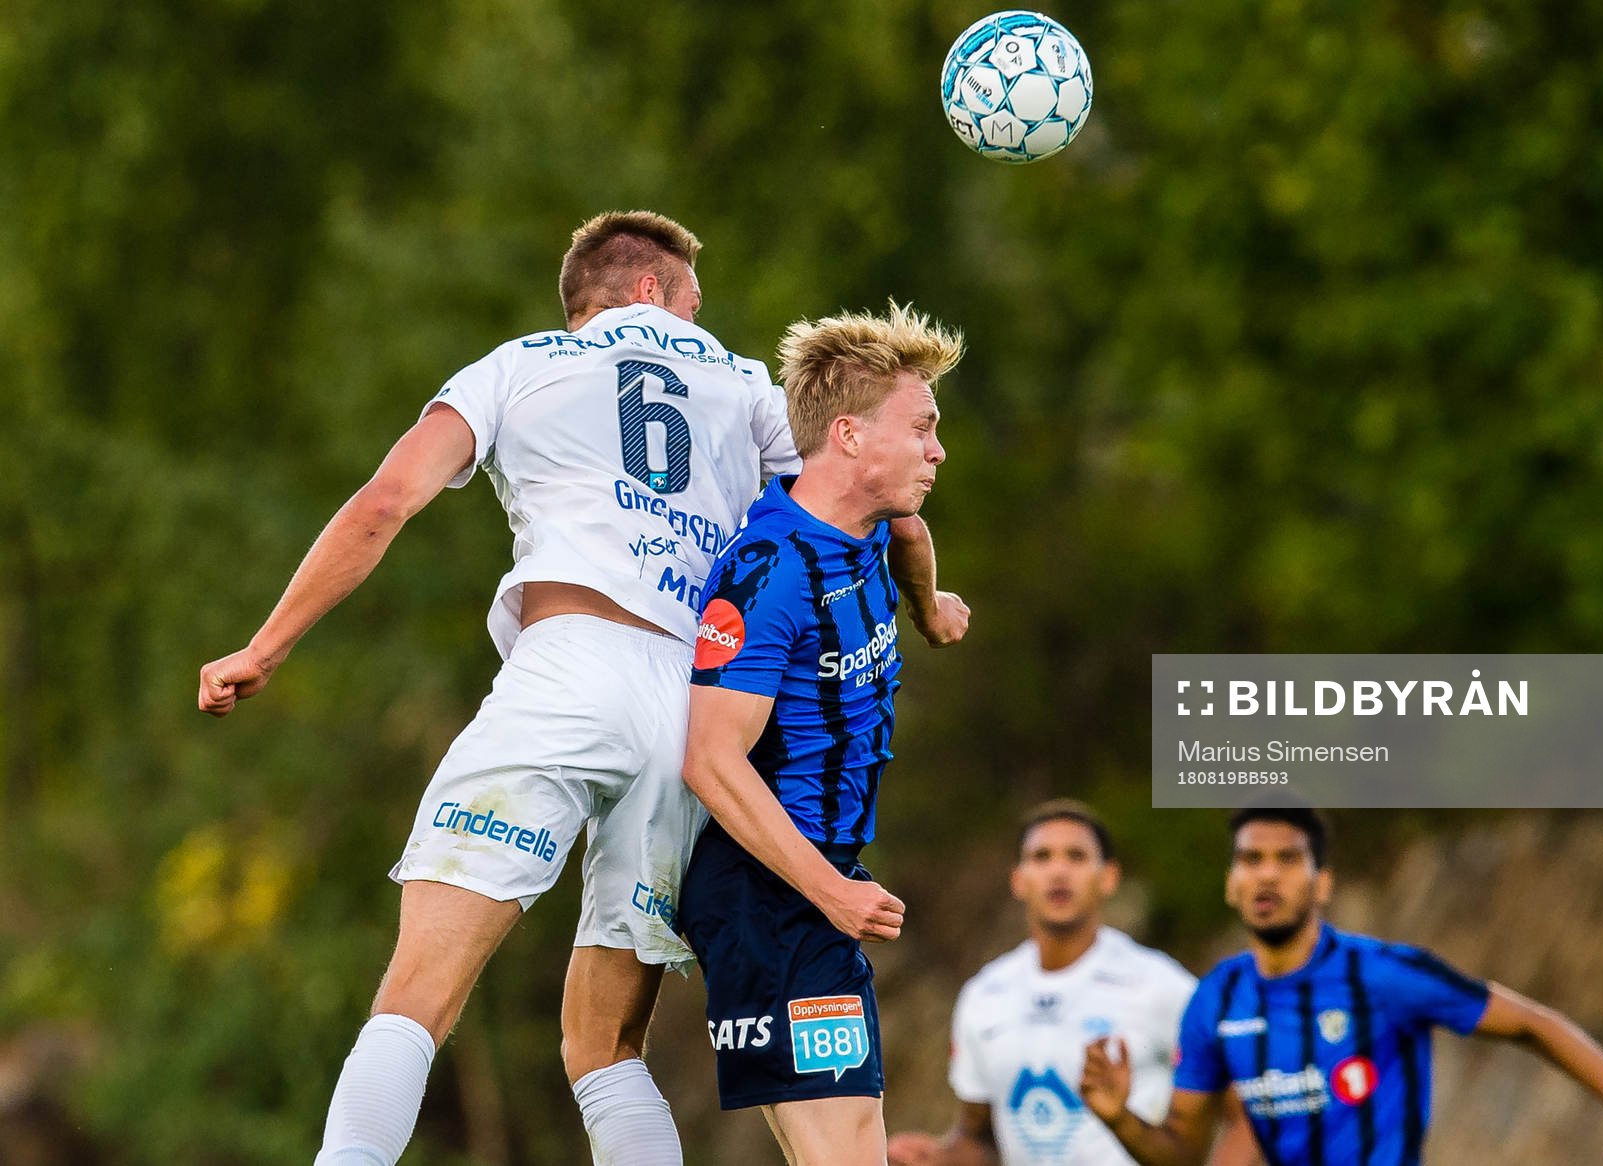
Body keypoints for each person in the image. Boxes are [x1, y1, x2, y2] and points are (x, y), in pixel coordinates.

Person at [196, 213, 958, 1166]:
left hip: (565, 675)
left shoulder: (514, 366)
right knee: (603, 1049)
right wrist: (928, 601)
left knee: (419, 995)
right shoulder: (745, 385)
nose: (700, 321)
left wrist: (264, 649)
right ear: (651, 290)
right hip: (685, 710)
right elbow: (856, 502)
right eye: (694, 300)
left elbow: (387, 500)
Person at [676, 300, 968, 1166]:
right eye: (922, 429)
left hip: (813, 892)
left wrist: (928, 608)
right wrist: (830, 893)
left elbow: (910, 531)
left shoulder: (872, 527)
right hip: (771, 897)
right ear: (847, 435)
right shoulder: (769, 572)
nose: (937, 450)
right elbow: (710, 759)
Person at [1078, 807, 1603, 1166]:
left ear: (1322, 883)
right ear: (1231, 884)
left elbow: (1532, 1024)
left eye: (1287, 859)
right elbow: (1182, 1154)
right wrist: (1119, 1120)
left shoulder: (1383, 974)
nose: (1267, 876)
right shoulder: (1216, 1000)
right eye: (1251, 860)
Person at [887, 800, 1201, 1166]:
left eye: (1076, 856)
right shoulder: (985, 994)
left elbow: (1216, 1127)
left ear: (1109, 877)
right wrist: (938, 1157)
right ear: (1018, 880)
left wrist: (1124, 1120)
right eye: (1041, 857)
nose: (1058, 871)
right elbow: (980, 1140)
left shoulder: (1163, 986)